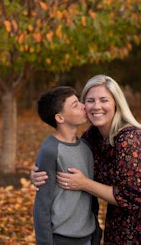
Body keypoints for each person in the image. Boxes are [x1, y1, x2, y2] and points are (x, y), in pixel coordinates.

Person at [31, 75, 141, 244]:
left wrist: (84, 183)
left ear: (116, 103)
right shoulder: (92, 137)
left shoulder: (130, 140)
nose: (96, 106)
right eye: (90, 100)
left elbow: (131, 197)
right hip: (120, 219)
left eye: (104, 100)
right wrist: (40, 172)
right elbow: (65, 157)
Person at [33, 86, 100, 245]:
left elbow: (91, 197)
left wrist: (96, 232)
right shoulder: (50, 151)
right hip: (60, 239)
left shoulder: (86, 147)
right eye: (75, 105)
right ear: (60, 118)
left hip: (87, 237)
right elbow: (42, 205)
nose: (84, 106)